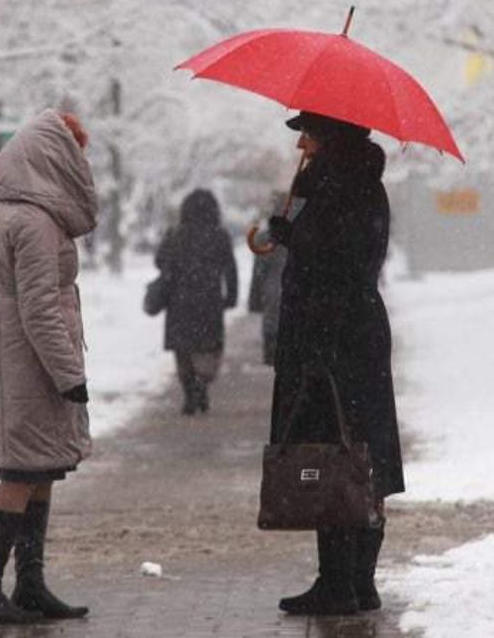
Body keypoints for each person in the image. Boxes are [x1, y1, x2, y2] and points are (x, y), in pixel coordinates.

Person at [266, 110, 405, 615]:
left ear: (328, 137)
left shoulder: (336, 186)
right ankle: (359, 580)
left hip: (331, 342)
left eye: (308, 132)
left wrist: (292, 236)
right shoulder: (360, 182)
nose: (301, 142)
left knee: (331, 456)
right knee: (361, 454)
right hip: (357, 336)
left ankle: (338, 583)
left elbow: (336, 261)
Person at [0, 109, 95, 625]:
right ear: (52, 158)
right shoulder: (35, 221)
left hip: (16, 352)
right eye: (75, 153)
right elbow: (39, 310)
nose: (80, 164)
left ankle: (30, 584)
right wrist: (70, 376)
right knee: (20, 472)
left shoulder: (4, 208)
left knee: (39, 469)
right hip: (30, 360)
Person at [155, 189, 238, 415]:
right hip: (209, 302)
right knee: (209, 347)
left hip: (179, 302)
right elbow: (230, 269)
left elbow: (160, 261)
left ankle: (189, 390)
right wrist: (231, 297)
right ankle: (203, 384)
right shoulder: (220, 235)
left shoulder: (176, 234)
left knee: (183, 350)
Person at [248, 191, 290, 366]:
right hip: (294, 298)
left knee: (274, 356)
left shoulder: (266, 238)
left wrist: (255, 301)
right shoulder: (304, 234)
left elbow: (259, 273)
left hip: (272, 298)